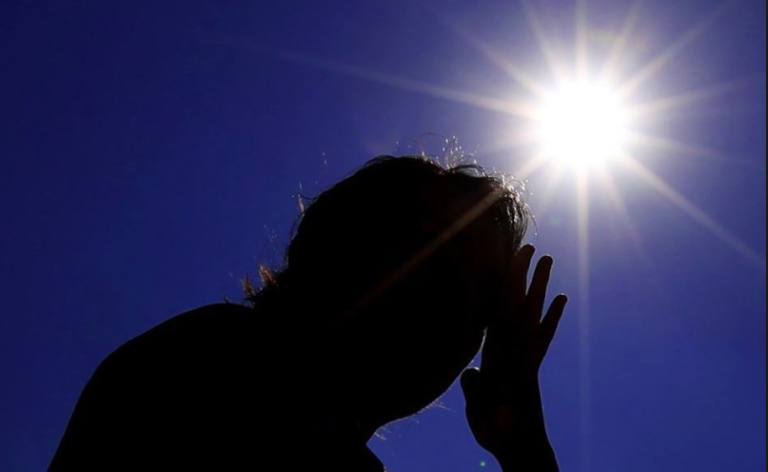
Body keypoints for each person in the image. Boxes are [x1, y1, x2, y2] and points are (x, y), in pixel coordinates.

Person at [49, 156, 568, 471]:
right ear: (338, 243)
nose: (459, 299)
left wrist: (522, 448)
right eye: (433, 251)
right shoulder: (202, 367)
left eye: (486, 293)